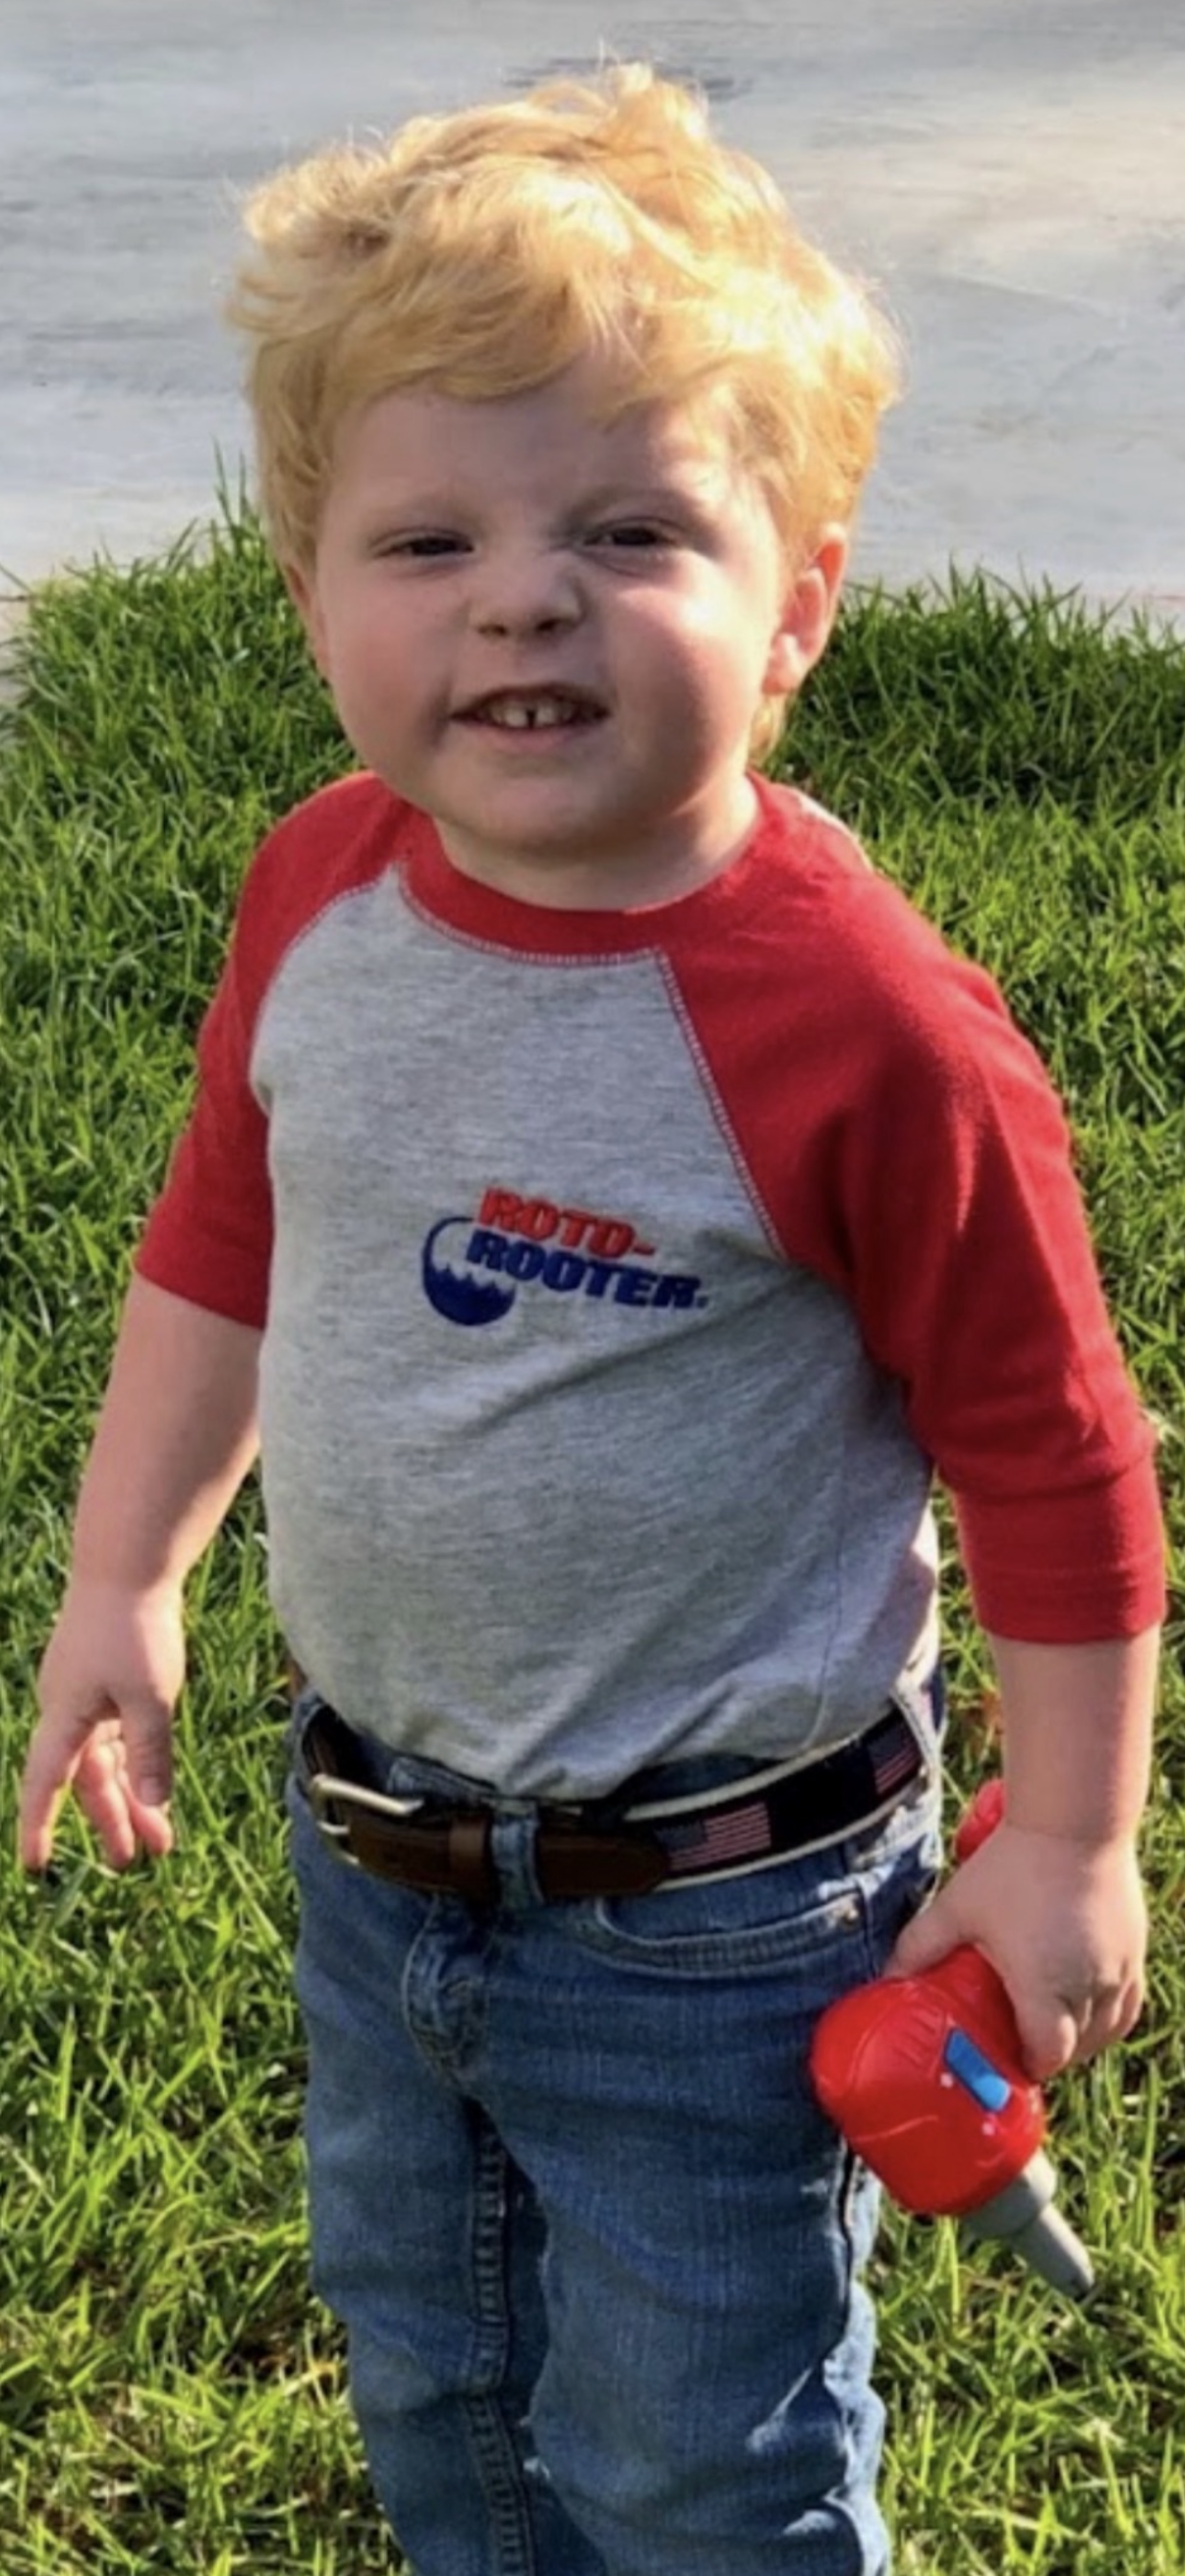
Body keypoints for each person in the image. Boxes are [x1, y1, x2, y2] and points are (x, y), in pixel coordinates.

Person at [20, 63, 1163, 2576]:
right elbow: (227, 1244)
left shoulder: (855, 1021)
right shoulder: (322, 889)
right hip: (377, 1850)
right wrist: (126, 1579)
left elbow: (1059, 1450)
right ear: (308, 590)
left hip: (725, 1923)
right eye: (428, 535)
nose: (523, 594)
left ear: (804, 611)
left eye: (632, 529)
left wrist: (1072, 1833)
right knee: (436, 2391)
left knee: (699, 2469)